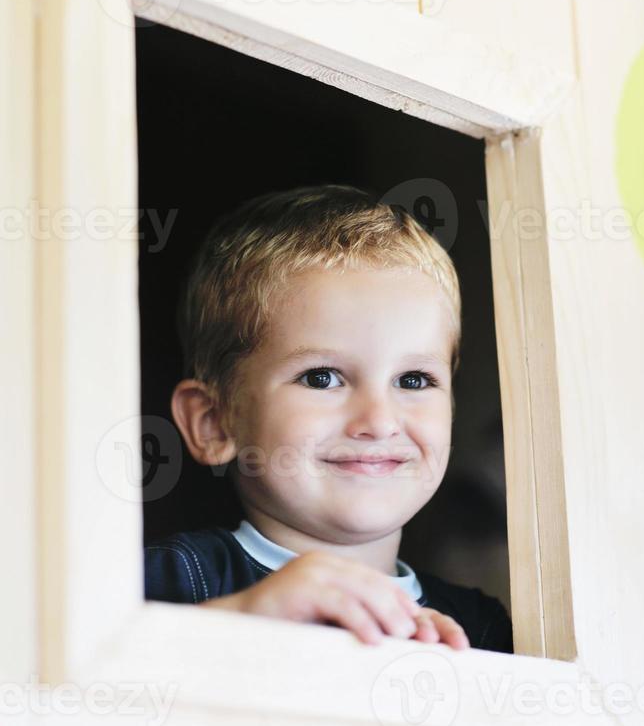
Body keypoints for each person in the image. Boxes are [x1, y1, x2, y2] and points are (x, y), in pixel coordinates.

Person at [144, 184, 513, 652]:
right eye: (322, 378)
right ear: (214, 422)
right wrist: (243, 619)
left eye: (414, 380)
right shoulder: (174, 580)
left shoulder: (480, 628)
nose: (378, 421)